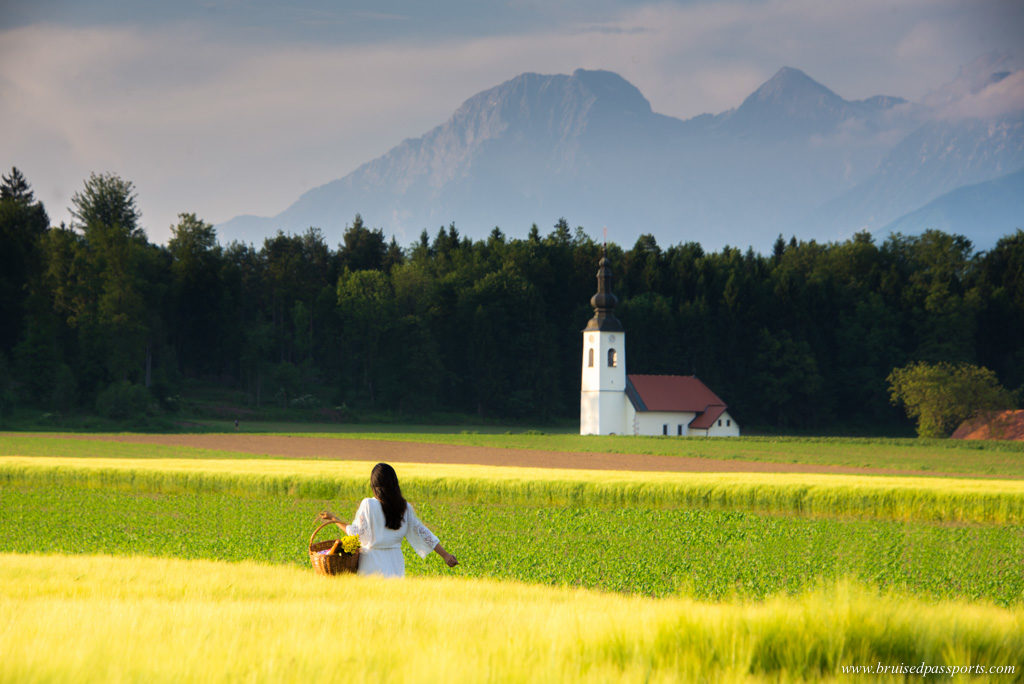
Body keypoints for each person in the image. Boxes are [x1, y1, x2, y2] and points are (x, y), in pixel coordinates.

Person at [319, 462, 458, 577]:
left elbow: (354, 534)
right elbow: (423, 533)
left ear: (374, 486)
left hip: (371, 564)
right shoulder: (404, 507)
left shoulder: (368, 504)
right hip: (395, 563)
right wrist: (445, 555)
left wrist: (334, 519)